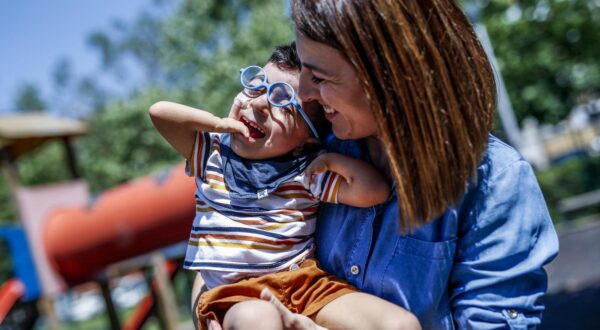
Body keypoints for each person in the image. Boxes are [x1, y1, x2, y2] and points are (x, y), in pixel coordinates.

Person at [246, 1, 559, 329]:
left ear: (388, 76)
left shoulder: (494, 182)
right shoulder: (311, 149)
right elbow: (224, 244)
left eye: (320, 77)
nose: (306, 93)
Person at [150, 43, 421, 330]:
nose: (258, 104)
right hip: (234, 296)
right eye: (255, 87)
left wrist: (333, 161)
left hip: (303, 283)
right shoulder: (212, 154)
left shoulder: (307, 170)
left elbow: (374, 191)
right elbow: (160, 112)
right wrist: (218, 123)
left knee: (399, 324)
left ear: (307, 141)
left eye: (282, 103)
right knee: (259, 319)